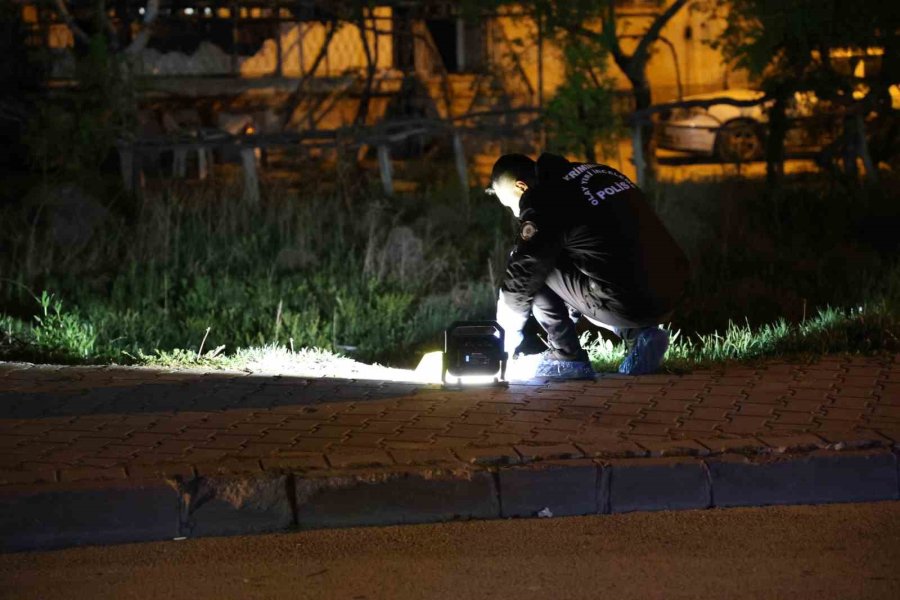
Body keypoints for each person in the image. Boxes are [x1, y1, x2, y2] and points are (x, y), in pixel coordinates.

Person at [487, 153, 690, 376]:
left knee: (531, 263)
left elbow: (524, 272)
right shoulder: (598, 172)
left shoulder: (544, 198)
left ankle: (567, 358)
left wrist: (506, 335)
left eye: (510, 205)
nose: (516, 213)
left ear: (521, 187)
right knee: (572, 256)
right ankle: (641, 336)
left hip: (630, 299)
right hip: (673, 286)